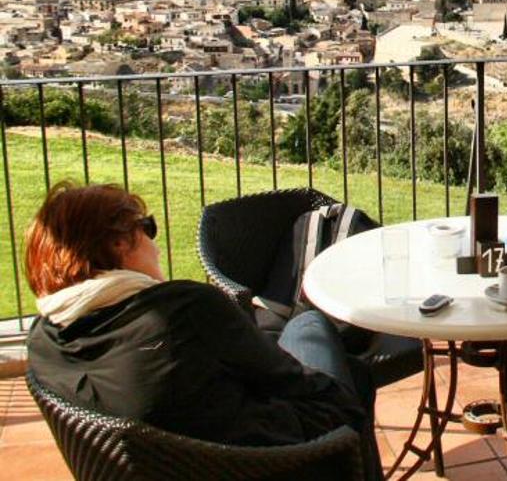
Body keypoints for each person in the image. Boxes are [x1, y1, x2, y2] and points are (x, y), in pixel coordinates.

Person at [24, 182, 382, 480]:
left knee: (310, 343)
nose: (155, 243)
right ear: (119, 243)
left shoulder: (43, 341)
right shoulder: (178, 310)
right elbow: (295, 383)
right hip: (273, 461)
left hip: (179, 464)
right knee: (320, 336)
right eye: (147, 227)